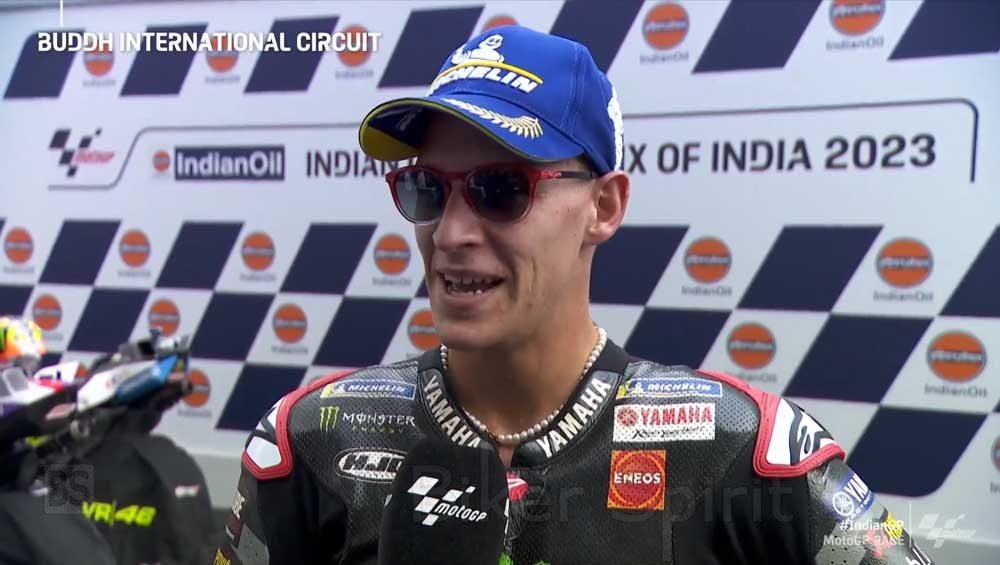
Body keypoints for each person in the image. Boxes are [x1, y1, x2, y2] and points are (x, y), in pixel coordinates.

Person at [214, 25, 937, 565]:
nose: (452, 232)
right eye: (428, 187)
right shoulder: (312, 440)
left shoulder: (743, 448)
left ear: (604, 206)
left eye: (501, 188)